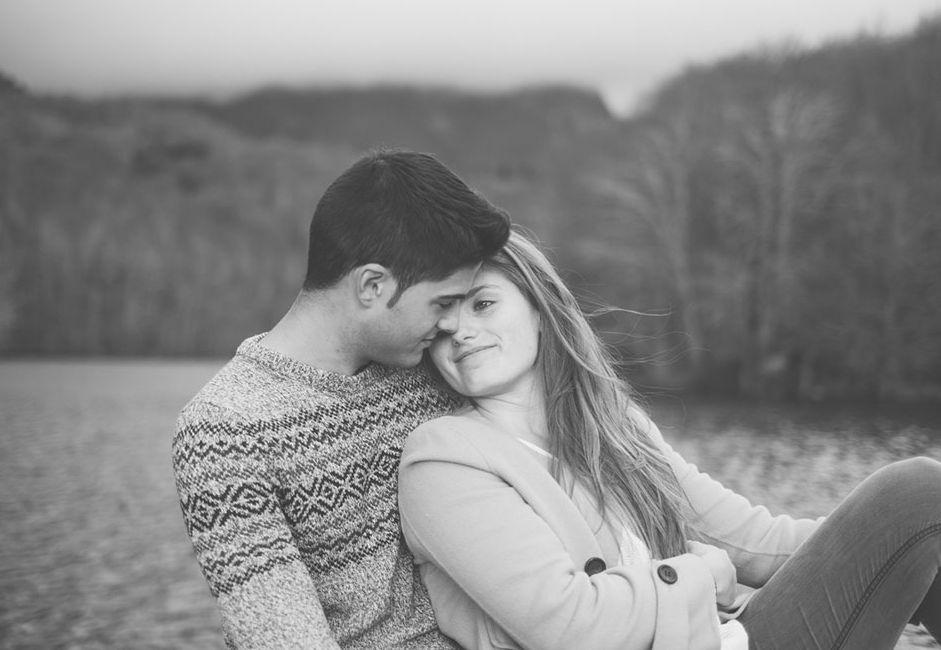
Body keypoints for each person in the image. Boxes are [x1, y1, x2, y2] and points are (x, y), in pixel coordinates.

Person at [398, 228, 941, 650]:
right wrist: (698, 576)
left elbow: (754, 543)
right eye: (442, 325)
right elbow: (567, 625)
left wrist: (874, 546)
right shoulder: (444, 459)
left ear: (540, 310)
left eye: (483, 304)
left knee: (920, 530)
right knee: (916, 492)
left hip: (731, 637)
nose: (461, 332)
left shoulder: (609, 424)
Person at [172, 149, 510, 649]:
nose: (453, 326)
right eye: (442, 303)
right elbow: (281, 637)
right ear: (372, 285)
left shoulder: (434, 369)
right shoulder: (224, 431)